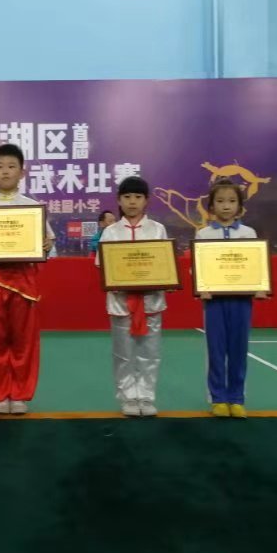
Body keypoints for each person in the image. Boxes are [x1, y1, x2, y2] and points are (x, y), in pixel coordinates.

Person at [0, 143, 54, 415]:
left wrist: (46, 245)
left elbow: (47, 242)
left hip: (24, 281)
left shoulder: (32, 208)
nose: (5, 172)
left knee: (23, 340)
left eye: (11, 166)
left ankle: (19, 394)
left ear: (22, 172)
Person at [196, 179, 267, 419]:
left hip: (241, 301)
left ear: (240, 206)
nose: (226, 206)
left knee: (239, 349)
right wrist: (201, 286)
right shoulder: (203, 234)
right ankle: (217, 398)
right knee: (215, 350)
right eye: (220, 201)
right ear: (211, 206)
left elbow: (256, 265)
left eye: (231, 201)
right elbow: (197, 266)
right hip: (214, 302)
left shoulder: (249, 233)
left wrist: (259, 286)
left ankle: (237, 398)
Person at [97, 177, 167, 417]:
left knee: (150, 353)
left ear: (146, 200)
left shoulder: (158, 229)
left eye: (138, 197)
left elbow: (164, 263)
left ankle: (146, 397)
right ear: (119, 200)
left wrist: (165, 278)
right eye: (127, 197)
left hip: (151, 301)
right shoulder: (110, 232)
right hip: (120, 301)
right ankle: (128, 396)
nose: (132, 202)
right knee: (123, 353)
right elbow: (102, 265)